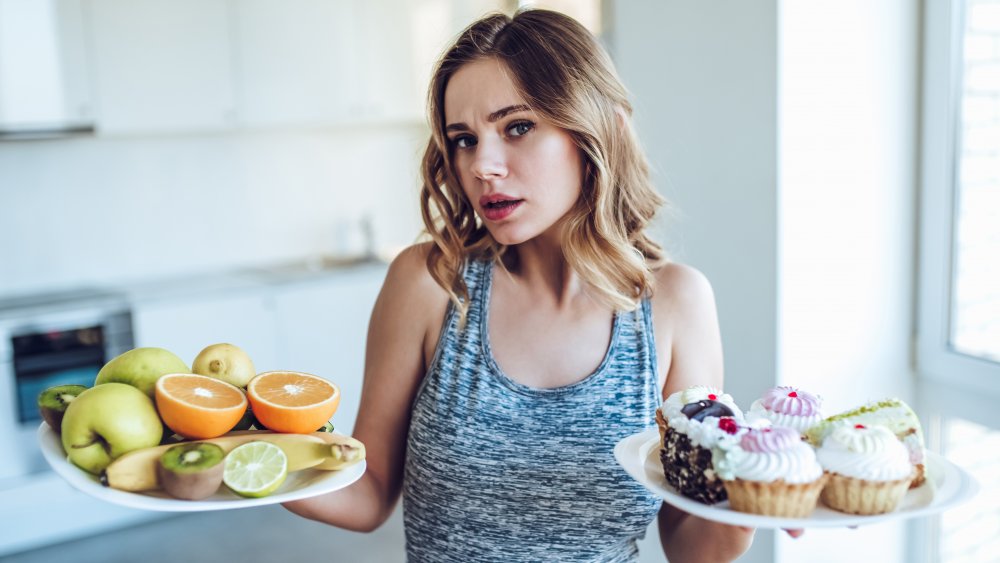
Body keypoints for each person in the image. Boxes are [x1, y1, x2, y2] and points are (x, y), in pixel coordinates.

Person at [284, 9, 755, 562]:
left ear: (598, 129)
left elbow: (691, 548)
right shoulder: (430, 285)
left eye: (518, 127)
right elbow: (367, 496)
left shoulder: (675, 304)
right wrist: (252, 456)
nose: (482, 164)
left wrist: (750, 498)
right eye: (463, 139)